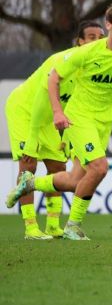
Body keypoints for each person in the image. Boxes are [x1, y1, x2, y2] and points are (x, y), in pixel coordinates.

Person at [6, 4, 112, 240]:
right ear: (109, 25)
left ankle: (32, 184)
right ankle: (71, 226)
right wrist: (59, 113)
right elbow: (53, 78)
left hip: (103, 122)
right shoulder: (86, 53)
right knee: (100, 168)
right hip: (78, 118)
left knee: (75, 179)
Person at [4, 21, 104, 239]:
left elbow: (73, 107)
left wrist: (66, 138)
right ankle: (30, 227)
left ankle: (52, 224)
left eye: (100, 38)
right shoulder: (60, 62)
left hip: (51, 116)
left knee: (58, 166)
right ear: (80, 42)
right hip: (26, 110)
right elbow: (41, 102)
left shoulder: (93, 70)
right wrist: (32, 140)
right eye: (91, 37)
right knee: (28, 163)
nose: (97, 42)